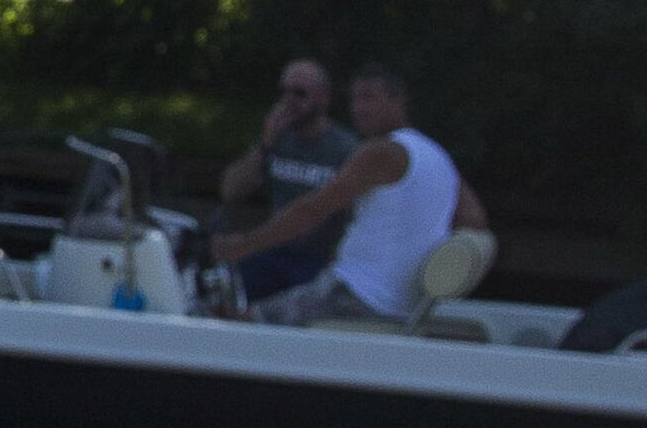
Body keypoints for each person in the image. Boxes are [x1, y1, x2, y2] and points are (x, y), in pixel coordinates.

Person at [210, 64, 490, 325]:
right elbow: (475, 220)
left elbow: (312, 211)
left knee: (234, 319)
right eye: (355, 99)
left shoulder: (380, 152)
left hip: (355, 296)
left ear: (398, 101)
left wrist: (241, 247)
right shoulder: (438, 157)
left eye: (369, 98)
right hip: (401, 306)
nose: (358, 108)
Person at [215, 58, 359, 299]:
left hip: (316, 260)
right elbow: (230, 191)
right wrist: (265, 144)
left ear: (324, 98)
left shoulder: (345, 149)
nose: (289, 100)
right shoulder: (277, 138)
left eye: (299, 93)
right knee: (224, 292)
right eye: (283, 92)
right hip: (270, 252)